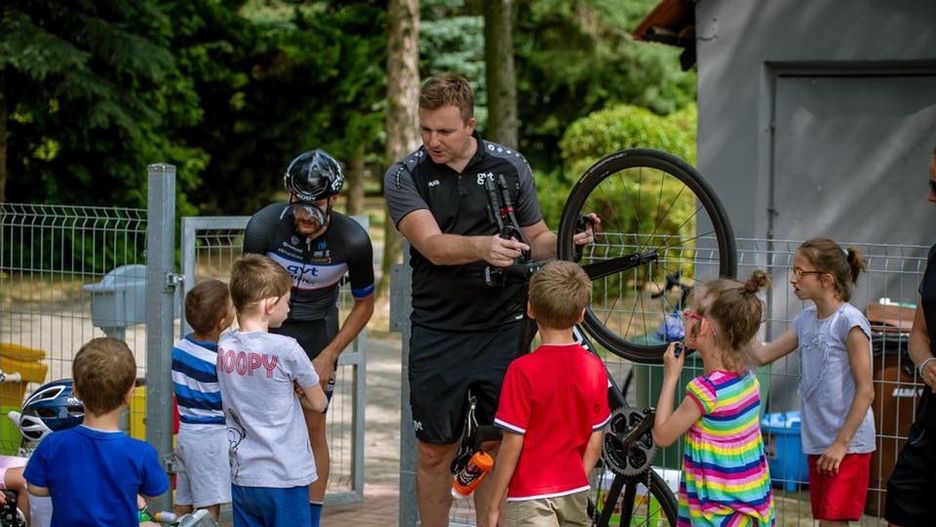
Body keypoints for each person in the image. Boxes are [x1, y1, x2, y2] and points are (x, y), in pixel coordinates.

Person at [383, 71, 595, 526]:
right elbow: (434, 246)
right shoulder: (406, 174)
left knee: (498, 444)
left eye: (444, 130)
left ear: (470, 124)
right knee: (434, 450)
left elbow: (535, 238)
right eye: (425, 129)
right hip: (439, 331)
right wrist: (484, 247)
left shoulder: (510, 165)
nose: (432, 140)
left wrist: (569, 240)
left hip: (503, 328)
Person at [243, 148, 375, 525]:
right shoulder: (265, 227)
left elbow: (364, 305)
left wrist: (329, 355)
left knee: (313, 426)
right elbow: (245, 290)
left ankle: (310, 520)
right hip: (269, 333)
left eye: (315, 203)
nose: (305, 213)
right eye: (298, 202)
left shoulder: (353, 240)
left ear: (333, 199)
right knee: (261, 424)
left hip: (317, 335)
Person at [749, 238, 875, 527]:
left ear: (826, 279)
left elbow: (866, 391)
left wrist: (841, 444)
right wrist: (734, 323)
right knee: (825, 521)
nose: (793, 279)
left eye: (799, 271)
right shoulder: (805, 320)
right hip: (819, 442)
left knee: (831, 523)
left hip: (848, 445)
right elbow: (763, 355)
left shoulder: (850, 322)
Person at [482, 260, 610, 527]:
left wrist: (494, 504)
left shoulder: (522, 370)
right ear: (581, 315)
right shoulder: (594, 367)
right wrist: (578, 480)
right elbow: (596, 441)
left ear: (530, 309)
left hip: (529, 496)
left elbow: (512, 443)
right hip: (575, 491)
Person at [653, 271, 776, 527]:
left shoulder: (704, 392)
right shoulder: (749, 381)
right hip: (750, 510)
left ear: (705, 327)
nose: (685, 317)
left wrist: (670, 377)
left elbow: (662, 436)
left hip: (715, 516)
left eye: (690, 313)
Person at [217, 254, 328, 526]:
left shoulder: (225, 344)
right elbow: (319, 403)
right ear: (269, 304)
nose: (289, 308)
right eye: (287, 301)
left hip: (243, 475)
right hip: (284, 476)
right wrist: (299, 391)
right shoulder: (287, 349)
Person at [23, 337, 169, 526]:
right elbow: (155, 492)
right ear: (129, 394)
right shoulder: (141, 453)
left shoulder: (53, 445)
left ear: (75, 391)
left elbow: (35, 488)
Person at [884, 146, 936, 527]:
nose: (930, 197)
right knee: (902, 504)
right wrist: (927, 362)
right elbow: (918, 334)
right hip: (930, 423)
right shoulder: (935, 256)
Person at [171, 278, 235, 521]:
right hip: (210, 439)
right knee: (208, 510)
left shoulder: (179, 349)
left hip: (187, 435)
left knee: (183, 504)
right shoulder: (219, 359)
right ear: (221, 323)